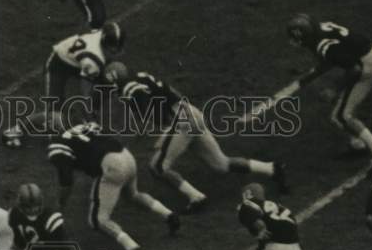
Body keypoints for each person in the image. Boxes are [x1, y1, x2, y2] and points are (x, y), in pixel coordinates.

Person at [106, 62, 288, 212]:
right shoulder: (141, 76)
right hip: (190, 113)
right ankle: (272, 169)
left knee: (157, 166)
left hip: (181, 121)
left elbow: (145, 112)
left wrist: (154, 132)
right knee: (221, 164)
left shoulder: (130, 89)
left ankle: (196, 197)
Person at [48, 121, 179, 250]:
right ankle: (169, 215)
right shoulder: (84, 126)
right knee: (133, 194)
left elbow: (67, 180)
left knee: (97, 220)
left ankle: (131, 246)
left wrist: (61, 203)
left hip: (112, 165)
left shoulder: (57, 145)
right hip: (127, 156)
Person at [286, 14, 372, 160]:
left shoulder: (323, 45)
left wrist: (334, 89)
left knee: (342, 116)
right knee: (340, 111)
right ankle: (358, 144)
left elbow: (354, 69)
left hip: (369, 67)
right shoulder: (320, 28)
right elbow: (337, 52)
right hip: (369, 54)